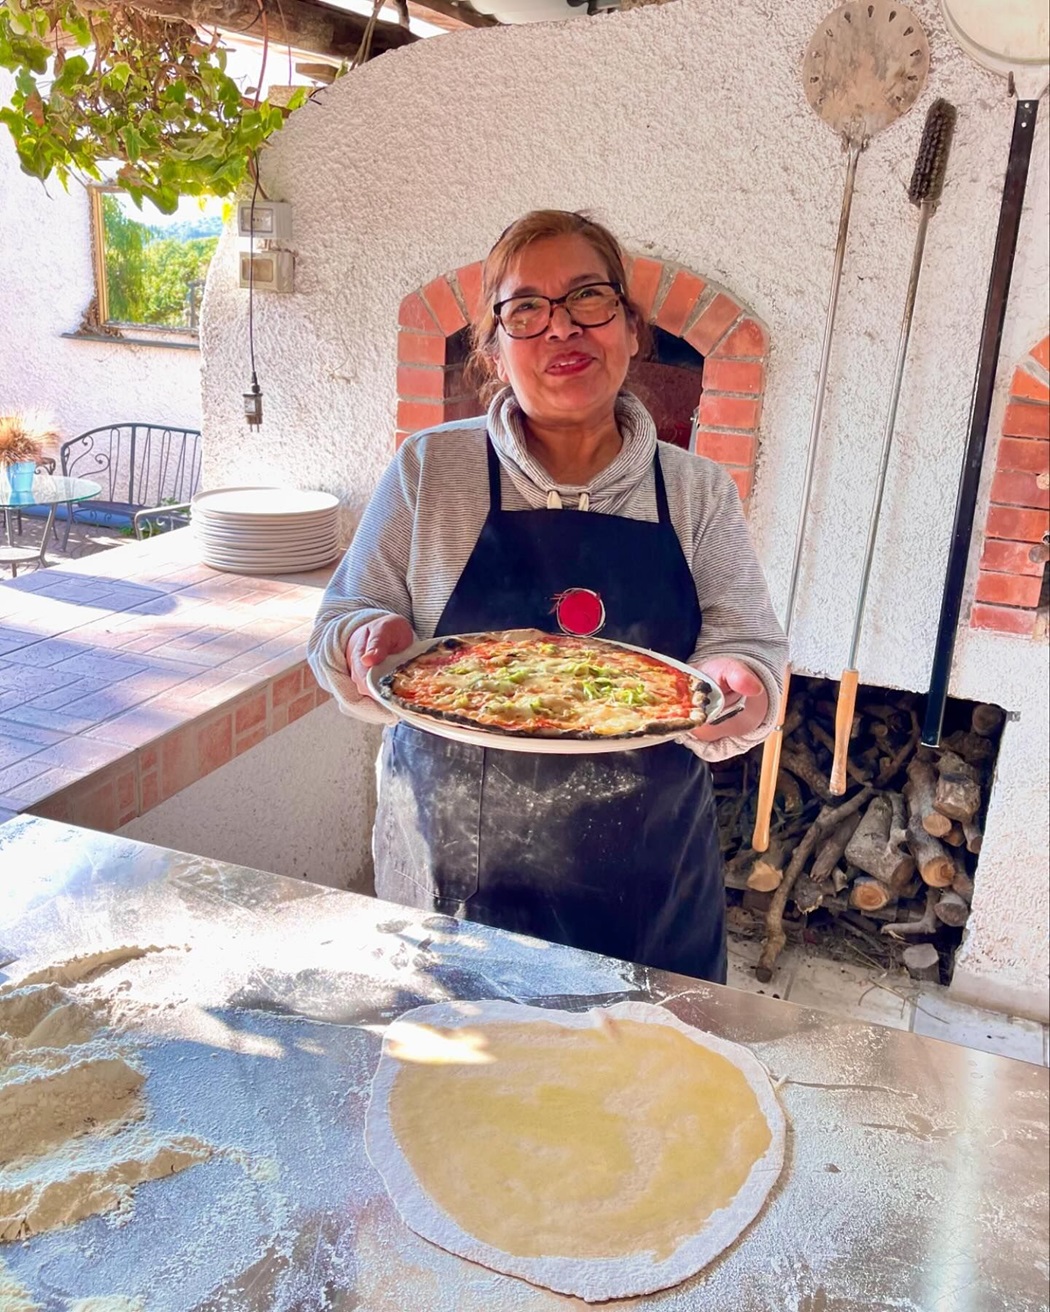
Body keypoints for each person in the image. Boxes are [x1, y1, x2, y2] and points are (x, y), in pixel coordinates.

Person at [308, 210, 786, 984]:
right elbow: (340, 621)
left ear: (631, 328)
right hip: (451, 878)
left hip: (649, 882)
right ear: (494, 350)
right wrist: (363, 641)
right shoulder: (430, 469)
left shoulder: (697, 490)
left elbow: (748, 649)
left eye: (589, 297)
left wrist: (743, 687)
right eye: (526, 309)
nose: (562, 327)